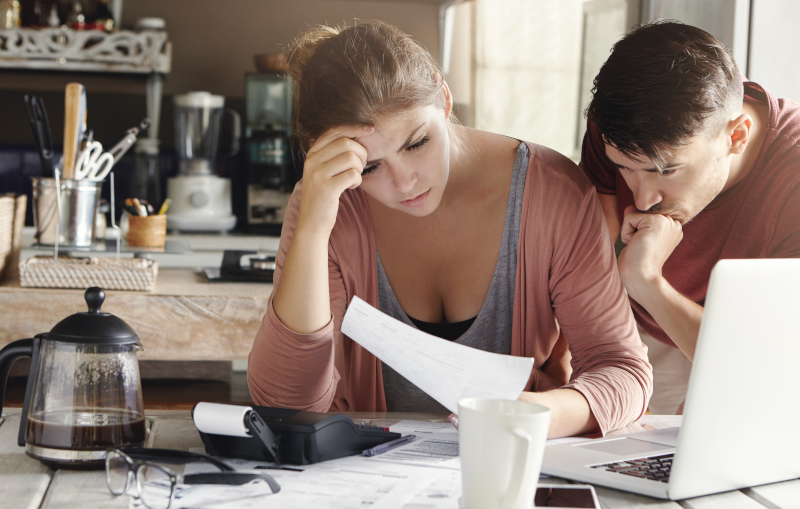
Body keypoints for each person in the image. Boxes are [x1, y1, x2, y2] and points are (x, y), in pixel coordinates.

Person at [248, 20, 652, 437]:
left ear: (443, 98)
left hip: (510, 469)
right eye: (369, 166)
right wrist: (313, 227)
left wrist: (533, 415)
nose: (405, 183)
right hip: (371, 483)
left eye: (417, 143)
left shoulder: (554, 193)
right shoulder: (329, 202)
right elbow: (285, 406)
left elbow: (622, 371)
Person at [580, 20, 800, 413]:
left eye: (665, 170)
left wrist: (647, 280)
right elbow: (586, 268)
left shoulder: (793, 178)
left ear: (736, 136)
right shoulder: (620, 127)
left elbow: (764, 363)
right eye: (626, 168)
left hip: (753, 347)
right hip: (639, 324)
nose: (644, 199)